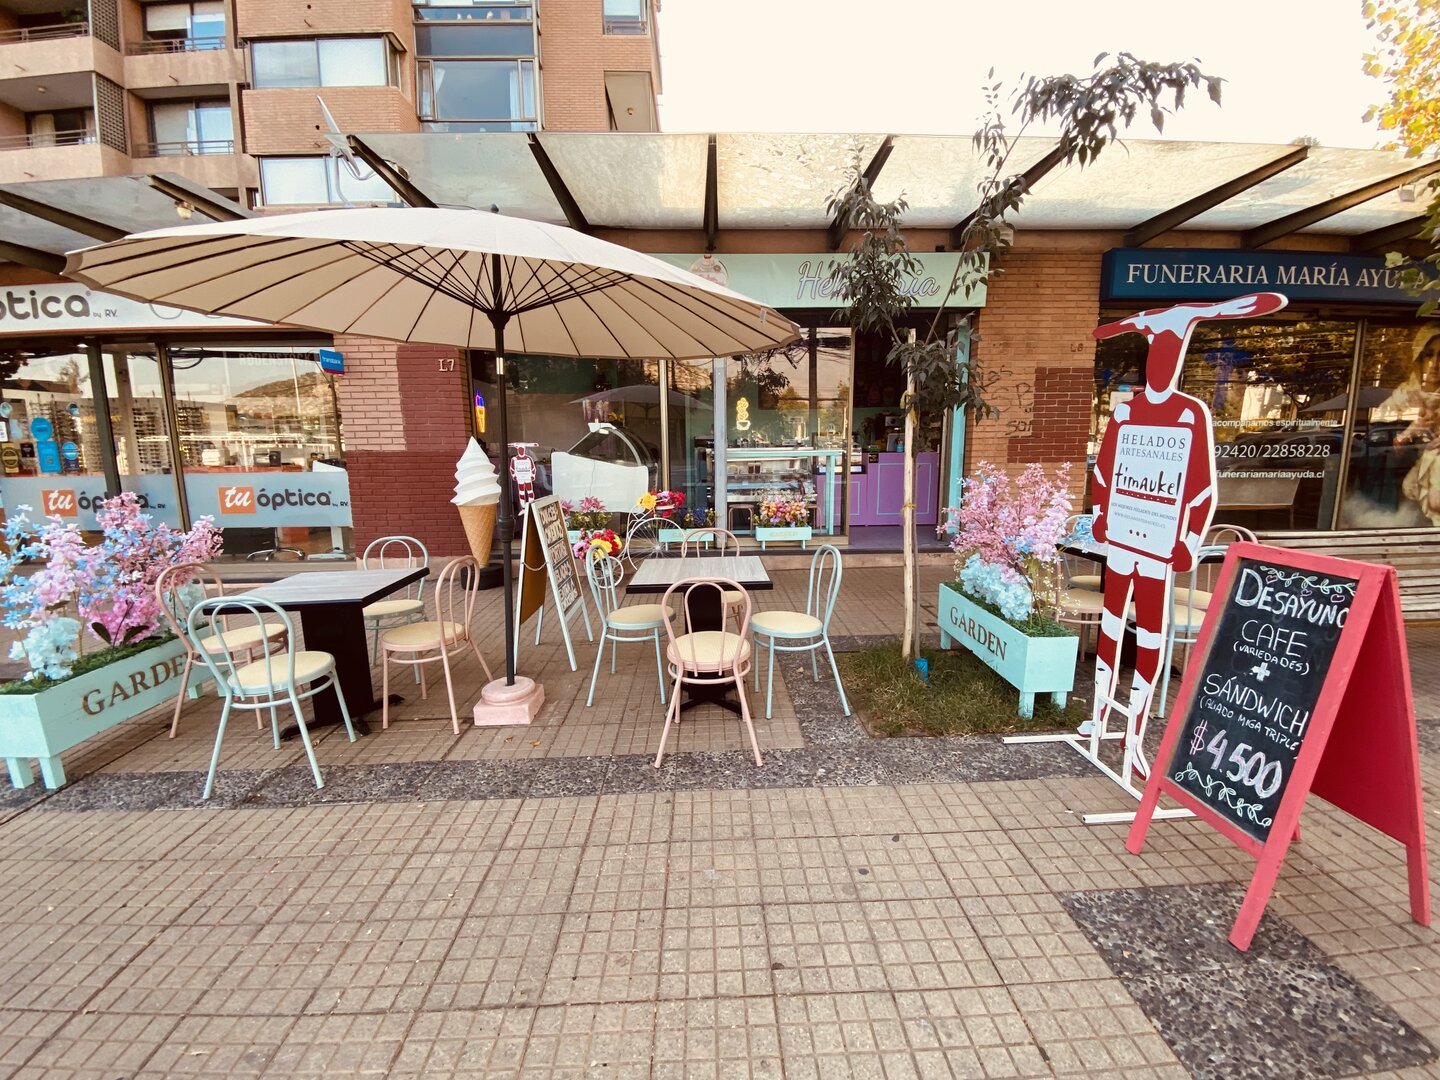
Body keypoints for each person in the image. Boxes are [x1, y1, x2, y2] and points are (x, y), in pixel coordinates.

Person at [1084, 292, 1288, 781]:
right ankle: (1100, 716)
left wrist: (1190, 538)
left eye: (1170, 354)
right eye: (1156, 353)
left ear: (1177, 360)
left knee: (1152, 633)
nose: (1161, 365)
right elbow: (1106, 472)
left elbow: (1199, 488)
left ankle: (1134, 734)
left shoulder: (1189, 414)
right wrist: (1100, 514)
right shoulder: (1125, 414)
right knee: (1111, 623)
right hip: (1124, 535)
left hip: (1159, 544)